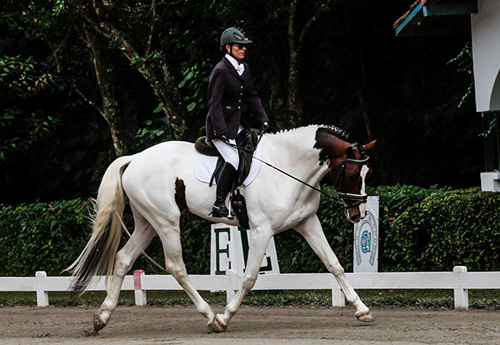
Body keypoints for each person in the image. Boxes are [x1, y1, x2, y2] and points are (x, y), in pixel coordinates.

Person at [206, 27, 269, 218]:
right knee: (233, 159)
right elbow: (214, 104)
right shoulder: (220, 70)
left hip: (237, 124)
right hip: (220, 128)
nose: (244, 49)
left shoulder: (244, 68)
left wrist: (263, 119)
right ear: (228, 48)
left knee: (254, 152)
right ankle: (218, 203)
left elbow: (252, 96)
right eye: (239, 46)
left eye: (244, 47)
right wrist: (221, 131)